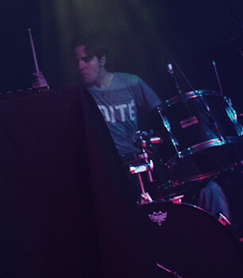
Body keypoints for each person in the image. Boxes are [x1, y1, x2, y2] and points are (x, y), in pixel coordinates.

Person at [72, 34, 231, 219]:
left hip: (143, 163)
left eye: (86, 60)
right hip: (109, 168)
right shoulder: (80, 94)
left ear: (102, 60)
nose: (80, 67)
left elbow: (162, 116)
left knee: (208, 188)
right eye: (77, 61)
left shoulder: (131, 82)